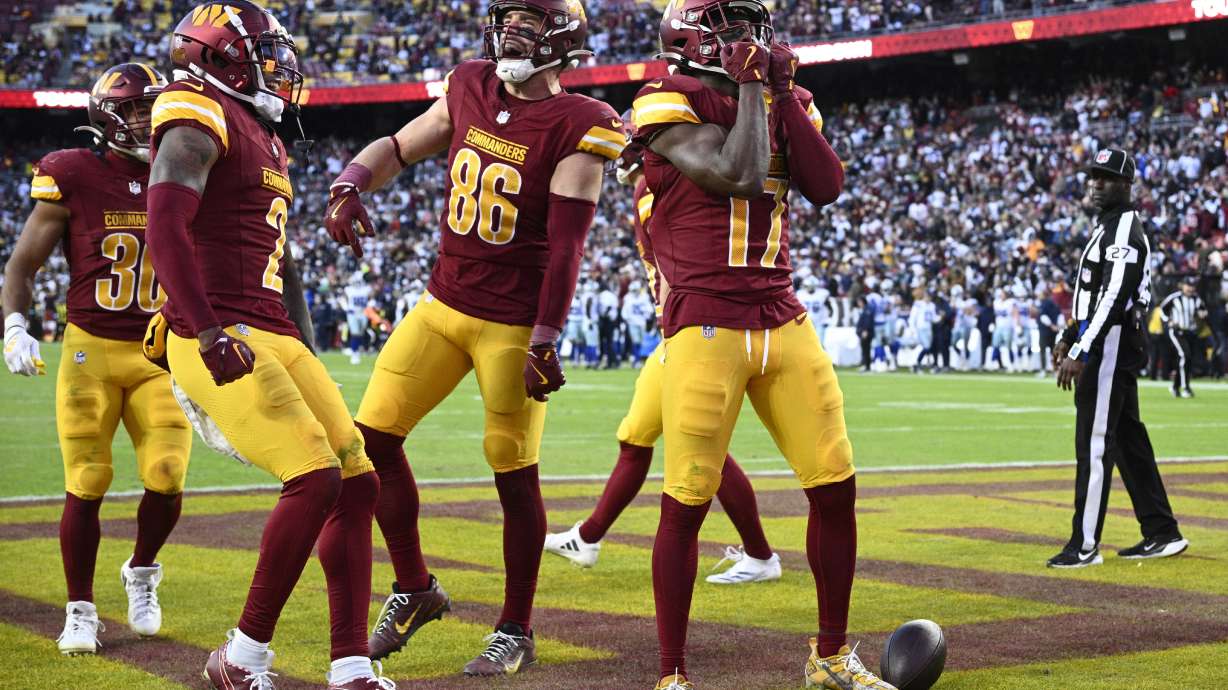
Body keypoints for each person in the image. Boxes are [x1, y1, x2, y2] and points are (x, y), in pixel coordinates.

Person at [322, 0, 624, 675]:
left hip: (512, 323)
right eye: (507, 18)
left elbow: (570, 246)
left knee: (513, 476)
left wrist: (546, 336)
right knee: (370, 442)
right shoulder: (468, 84)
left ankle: (516, 627)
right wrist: (352, 180)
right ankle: (415, 588)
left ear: (564, 39)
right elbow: (401, 145)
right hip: (443, 303)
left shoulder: (583, 123)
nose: (511, 32)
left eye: (529, 22)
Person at [634, 2, 893, 686]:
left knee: (835, 487)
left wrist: (777, 91)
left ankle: (831, 655)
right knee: (685, 502)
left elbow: (827, 186)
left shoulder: (788, 97)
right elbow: (739, 174)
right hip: (704, 322)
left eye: (750, 25)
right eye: (725, 25)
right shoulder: (664, 98)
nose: (744, 38)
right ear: (687, 36)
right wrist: (753, 89)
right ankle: (672, 674)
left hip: (781, 315)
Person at [143, 4, 387, 687]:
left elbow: (281, 257)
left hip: (271, 327)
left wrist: (306, 350)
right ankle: (240, 656)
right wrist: (205, 326)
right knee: (314, 477)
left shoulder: (261, 131)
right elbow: (165, 226)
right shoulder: (195, 111)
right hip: (216, 327)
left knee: (360, 483)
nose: (281, 69)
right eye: (265, 55)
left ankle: (350, 667)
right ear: (217, 58)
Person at [2, 62, 191, 656]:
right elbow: (22, 265)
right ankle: (80, 609)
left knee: (167, 475)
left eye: (149, 107)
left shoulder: (188, 167)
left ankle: (140, 570)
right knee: (87, 481)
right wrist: (14, 325)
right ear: (106, 115)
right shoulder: (75, 174)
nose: (145, 118)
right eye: (133, 109)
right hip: (91, 349)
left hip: (162, 350)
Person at [544, 122, 781, 586]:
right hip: (679, 332)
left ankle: (760, 554)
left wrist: (679, 326)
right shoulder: (656, 187)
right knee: (635, 438)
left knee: (698, 448)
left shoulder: (652, 190)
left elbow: (679, 260)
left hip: (688, 332)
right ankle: (588, 538)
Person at [1049, 148, 1187, 569]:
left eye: (1106, 178)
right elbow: (1093, 295)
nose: (1096, 184)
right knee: (1128, 441)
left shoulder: (1125, 228)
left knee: (1094, 442)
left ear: (1127, 186)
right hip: (1108, 340)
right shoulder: (1108, 226)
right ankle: (1162, 531)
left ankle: (1085, 545)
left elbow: (1115, 294)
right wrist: (1070, 333)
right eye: (1094, 176)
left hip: (1111, 345)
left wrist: (1081, 347)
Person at [1158, 276, 1207, 398]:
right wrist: (1168, 321)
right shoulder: (1174, 298)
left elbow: (1203, 310)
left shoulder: (1196, 299)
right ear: (1182, 286)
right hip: (1176, 331)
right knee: (1185, 355)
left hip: (1190, 332)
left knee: (1187, 359)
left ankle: (1175, 387)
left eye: (1192, 286)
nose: (1190, 288)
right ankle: (1186, 388)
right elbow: (1162, 310)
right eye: (1188, 286)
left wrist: (1203, 314)